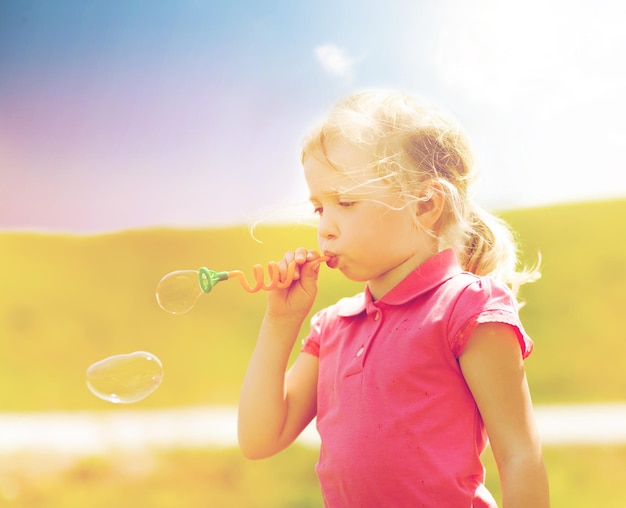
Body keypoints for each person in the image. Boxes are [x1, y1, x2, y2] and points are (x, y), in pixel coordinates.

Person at [238, 90, 550, 507]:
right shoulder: (334, 326)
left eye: (345, 202)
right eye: (318, 208)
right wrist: (280, 321)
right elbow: (259, 438)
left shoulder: (467, 307)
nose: (326, 228)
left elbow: (519, 455)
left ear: (426, 205)